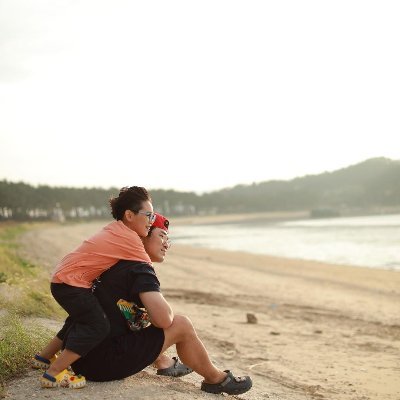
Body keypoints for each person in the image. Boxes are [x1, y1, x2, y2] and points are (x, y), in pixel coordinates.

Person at [68, 213, 253, 395]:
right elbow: (164, 320)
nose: (166, 244)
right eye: (162, 236)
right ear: (142, 235)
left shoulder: (115, 263)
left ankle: (163, 361)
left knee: (138, 317)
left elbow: (117, 309)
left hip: (79, 358)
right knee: (181, 324)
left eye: (168, 239)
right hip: (102, 365)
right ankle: (216, 379)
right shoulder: (139, 268)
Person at [34, 187, 159, 388]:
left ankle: (43, 357)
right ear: (129, 215)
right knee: (98, 325)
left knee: (80, 318)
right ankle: (54, 372)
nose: (151, 221)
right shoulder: (130, 238)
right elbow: (146, 270)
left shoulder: (115, 229)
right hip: (71, 283)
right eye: (149, 215)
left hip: (63, 279)